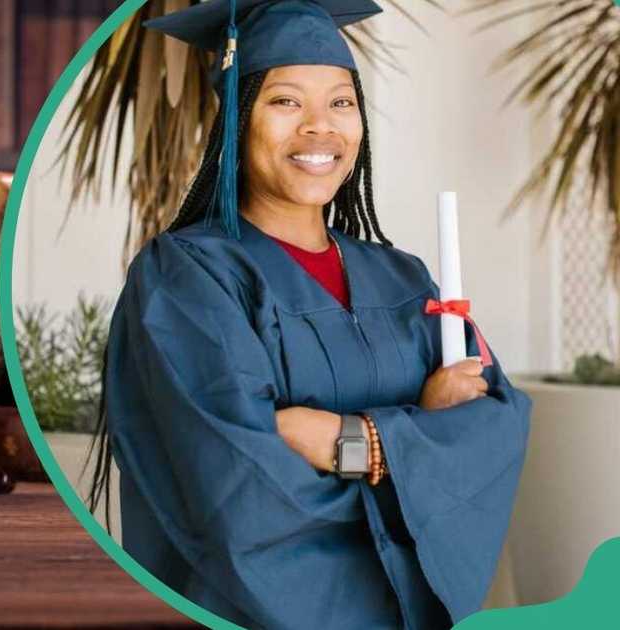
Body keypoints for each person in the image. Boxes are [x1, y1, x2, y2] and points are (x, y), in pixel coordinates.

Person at [85, 1, 533, 628]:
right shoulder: (186, 276)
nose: (320, 128)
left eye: (342, 103)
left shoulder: (405, 278)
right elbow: (234, 489)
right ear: (237, 118)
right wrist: (417, 449)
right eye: (286, 101)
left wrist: (356, 443)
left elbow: (495, 428)